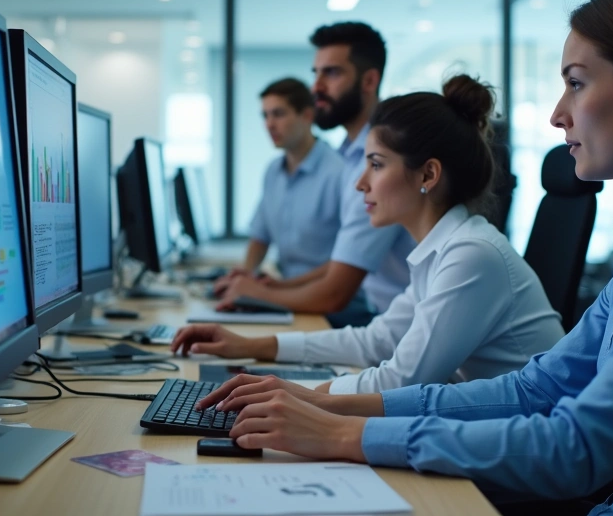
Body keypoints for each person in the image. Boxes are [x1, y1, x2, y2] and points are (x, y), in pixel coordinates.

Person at [193, 0, 613, 515]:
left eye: (576, 84)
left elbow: (577, 447)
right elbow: (534, 390)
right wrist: (332, 408)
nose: (557, 114)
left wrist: (343, 434)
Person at [174, 75, 563, 394]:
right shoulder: (442, 250)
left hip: (528, 448)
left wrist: (293, 393)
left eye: (376, 165)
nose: (360, 183)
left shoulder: (470, 255)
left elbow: (402, 381)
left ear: (428, 174)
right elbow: (375, 341)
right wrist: (249, 346)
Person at [216, 22, 415, 328]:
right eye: (316, 73)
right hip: (384, 323)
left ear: (369, 80)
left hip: (394, 325)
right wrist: (272, 285)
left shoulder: (379, 161)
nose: (316, 87)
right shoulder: (351, 157)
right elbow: (340, 261)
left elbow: (335, 292)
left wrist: (257, 293)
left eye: (331, 73)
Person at [215, 78, 343, 289]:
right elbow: (260, 237)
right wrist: (246, 273)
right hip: (286, 291)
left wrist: (279, 288)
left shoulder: (339, 172)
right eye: (265, 116)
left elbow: (346, 260)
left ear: (307, 116)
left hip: (326, 296)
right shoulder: (273, 171)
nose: (269, 124)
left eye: (278, 114)